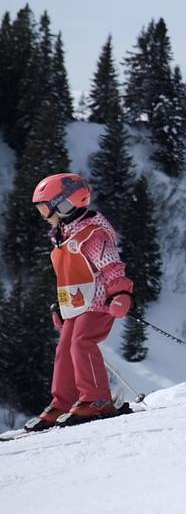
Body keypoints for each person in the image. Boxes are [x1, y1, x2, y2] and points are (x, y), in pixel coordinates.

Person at [26, 173, 135, 430]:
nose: (43, 215)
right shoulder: (62, 237)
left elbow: (111, 266)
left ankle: (97, 400)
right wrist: (61, 307)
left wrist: (120, 293)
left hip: (99, 301)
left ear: (66, 204)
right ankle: (64, 402)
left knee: (81, 343)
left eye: (45, 208)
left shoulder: (92, 234)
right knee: (64, 351)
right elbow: (69, 275)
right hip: (76, 304)